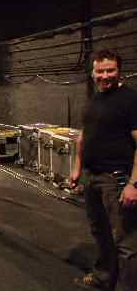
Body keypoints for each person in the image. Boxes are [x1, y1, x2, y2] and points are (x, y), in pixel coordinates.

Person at [70, 49, 137, 291]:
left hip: (117, 180)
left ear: (119, 71)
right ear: (93, 72)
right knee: (100, 231)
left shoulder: (130, 100)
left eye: (110, 70)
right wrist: (77, 168)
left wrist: (134, 184)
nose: (105, 75)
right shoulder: (94, 99)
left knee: (126, 242)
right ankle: (104, 276)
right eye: (100, 71)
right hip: (92, 177)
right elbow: (83, 136)